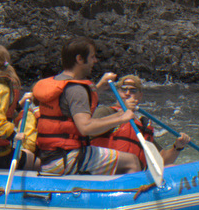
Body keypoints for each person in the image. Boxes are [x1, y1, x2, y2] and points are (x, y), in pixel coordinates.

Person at [29, 37, 142, 175]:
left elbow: (70, 104)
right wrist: (121, 118)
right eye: (92, 57)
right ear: (80, 59)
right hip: (67, 158)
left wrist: (99, 88)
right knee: (132, 161)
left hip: (46, 157)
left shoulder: (55, 83)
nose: (95, 61)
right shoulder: (76, 89)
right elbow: (85, 127)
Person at [93, 75, 191, 166]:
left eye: (133, 91)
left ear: (139, 96)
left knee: (171, 167)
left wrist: (177, 147)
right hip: (107, 169)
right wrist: (123, 112)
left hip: (133, 173)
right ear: (117, 93)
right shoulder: (106, 111)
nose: (127, 93)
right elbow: (88, 129)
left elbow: (162, 161)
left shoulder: (141, 125)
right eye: (123, 89)